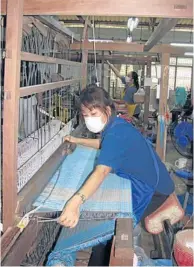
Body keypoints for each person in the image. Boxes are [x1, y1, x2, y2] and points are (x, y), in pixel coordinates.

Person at [58, 85, 174, 228]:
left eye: (93, 114)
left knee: (118, 225)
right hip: (152, 177)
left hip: (154, 188)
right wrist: (78, 141)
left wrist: (75, 202)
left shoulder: (115, 133)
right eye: (86, 115)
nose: (89, 119)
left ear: (107, 110)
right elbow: (104, 144)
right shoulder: (115, 124)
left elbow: (101, 171)